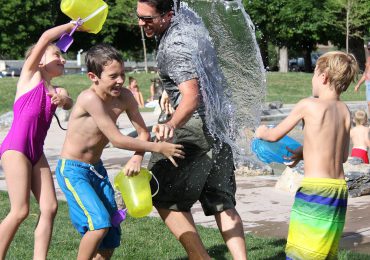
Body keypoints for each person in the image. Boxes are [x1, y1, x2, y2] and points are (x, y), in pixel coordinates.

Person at [136, 1, 247, 259]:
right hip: (220, 124)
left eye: (148, 19)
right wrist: (167, 91)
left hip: (192, 125)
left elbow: (191, 96)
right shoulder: (191, 25)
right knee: (222, 200)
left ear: (168, 15)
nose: (142, 23)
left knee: (161, 193)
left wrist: (171, 123)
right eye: (139, 17)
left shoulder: (175, 46)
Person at [55, 43, 184, 260]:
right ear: (93, 77)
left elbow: (143, 132)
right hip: (73, 171)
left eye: (122, 74)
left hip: (96, 170)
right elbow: (116, 139)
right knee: (98, 224)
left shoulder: (125, 97)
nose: (120, 80)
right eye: (113, 76)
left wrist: (137, 157)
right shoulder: (90, 99)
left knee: (111, 231)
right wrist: (158, 147)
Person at [255, 51, 359, 259]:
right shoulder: (344, 110)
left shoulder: (308, 104)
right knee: (325, 252)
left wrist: (261, 131)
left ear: (323, 77)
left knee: (301, 252)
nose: (312, 79)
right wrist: (305, 151)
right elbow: (342, 156)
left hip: (316, 191)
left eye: (313, 73)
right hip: (338, 191)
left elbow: (274, 135)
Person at [0, 23, 76, 259]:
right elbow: (44, 37)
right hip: (16, 149)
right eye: (57, 55)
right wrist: (72, 25)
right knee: (21, 210)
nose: (62, 60)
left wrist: (63, 99)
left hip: (36, 152)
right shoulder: (29, 76)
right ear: (40, 61)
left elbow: (68, 100)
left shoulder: (56, 89)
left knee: (50, 207)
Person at [354, 42, 370, 116]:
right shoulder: (369, 59)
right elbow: (365, 73)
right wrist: (358, 84)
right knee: (369, 103)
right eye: (369, 48)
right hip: (368, 83)